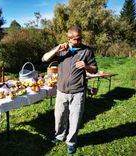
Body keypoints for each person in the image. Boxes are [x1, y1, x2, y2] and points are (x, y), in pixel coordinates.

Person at [42, 25, 98, 154]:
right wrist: (57, 49)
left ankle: (71, 141)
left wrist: (86, 66)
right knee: (59, 116)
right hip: (61, 91)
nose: (80, 41)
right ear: (69, 39)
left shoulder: (87, 51)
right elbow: (44, 58)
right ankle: (59, 135)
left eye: (81, 38)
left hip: (78, 91)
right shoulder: (62, 50)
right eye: (77, 39)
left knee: (75, 118)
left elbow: (94, 70)